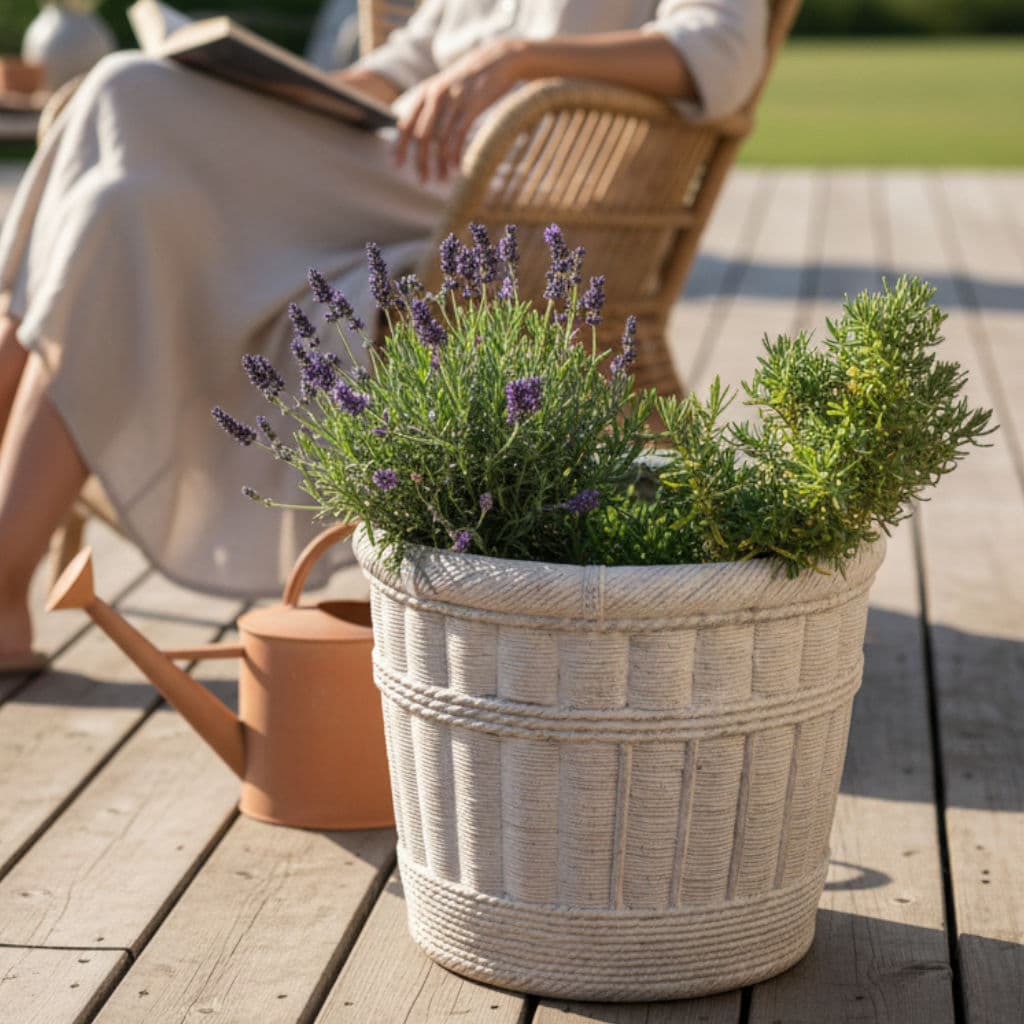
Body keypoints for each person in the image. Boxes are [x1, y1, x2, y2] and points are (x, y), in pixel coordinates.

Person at [0, 0, 767, 667]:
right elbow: (410, 62)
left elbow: (723, 51)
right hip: (391, 160)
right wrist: (282, 92)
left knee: (122, 91)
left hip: (509, 194)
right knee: (121, 202)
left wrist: (515, 59)